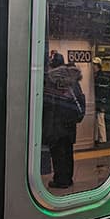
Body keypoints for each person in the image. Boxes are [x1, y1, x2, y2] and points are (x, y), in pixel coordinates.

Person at [42, 52, 85, 189]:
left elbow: (48, 104)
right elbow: (80, 98)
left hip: (56, 124)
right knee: (68, 152)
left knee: (58, 153)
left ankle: (60, 180)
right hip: (70, 125)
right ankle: (68, 178)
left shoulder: (51, 80)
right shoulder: (73, 81)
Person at [93, 56, 110, 145]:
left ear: (98, 66)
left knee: (100, 120)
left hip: (100, 101)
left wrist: (103, 101)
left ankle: (103, 139)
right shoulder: (96, 76)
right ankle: (96, 138)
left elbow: (104, 91)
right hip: (97, 100)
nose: (93, 66)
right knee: (96, 120)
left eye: (95, 65)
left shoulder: (101, 77)